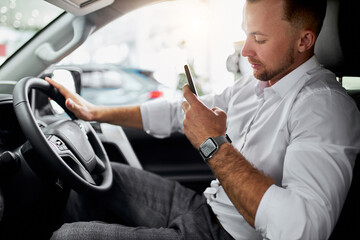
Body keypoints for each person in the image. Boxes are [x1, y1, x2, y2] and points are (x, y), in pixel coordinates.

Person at [49, 0, 360, 239]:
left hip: (229, 235)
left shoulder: (325, 108)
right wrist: (93, 112)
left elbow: (303, 230)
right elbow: (180, 111)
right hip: (207, 207)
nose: (246, 50)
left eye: (259, 38)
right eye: (245, 34)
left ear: (303, 41)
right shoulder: (257, 83)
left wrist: (214, 144)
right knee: (96, 174)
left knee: (70, 237)